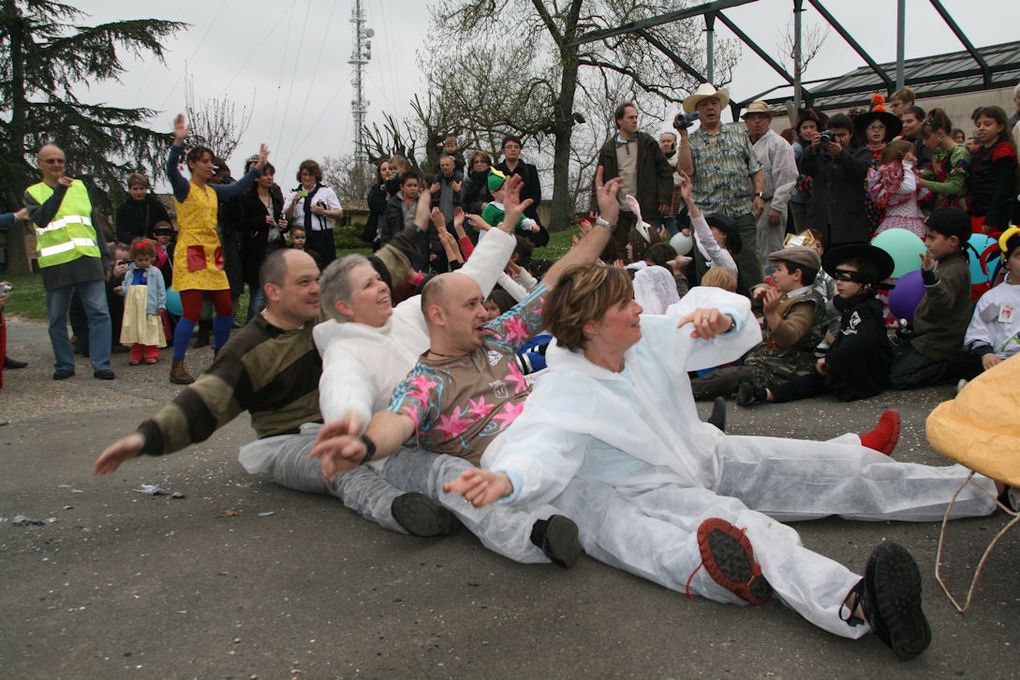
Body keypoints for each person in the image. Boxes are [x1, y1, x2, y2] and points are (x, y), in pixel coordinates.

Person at [443, 262, 997, 660]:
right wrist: (507, 479)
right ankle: (857, 603)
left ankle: (982, 489)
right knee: (752, 530)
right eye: (624, 304)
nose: (639, 308)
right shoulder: (562, 390)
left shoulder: (649, 337)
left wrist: (723, 321)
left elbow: (720, 316)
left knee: (832, 467)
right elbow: (539, 449)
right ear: (590, 325)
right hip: (653, 491)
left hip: (708, 453)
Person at [287, 174, 586, 565]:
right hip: (396, 445)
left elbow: (467, 281)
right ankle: (532, 536)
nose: (381, 288)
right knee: (447, 476)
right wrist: (351, 425)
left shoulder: (411, 310)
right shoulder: (345, 352)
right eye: (367, 287)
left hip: (452, 419)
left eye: (379, 279)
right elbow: (344, 389)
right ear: (344, 307)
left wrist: (508, 224)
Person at [94, 248, 459, 539]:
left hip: (342, 426)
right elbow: (202, 402)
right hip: (288, 443)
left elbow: (376, 265)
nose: (317, 288)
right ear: (273, 291)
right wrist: (145, 439)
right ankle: (402, 511)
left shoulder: (330, 320)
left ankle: (452, 491)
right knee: (344, 468)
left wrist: (419, 221)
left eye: (317, 279)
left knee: (392, 447)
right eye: (304, 282)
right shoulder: (246, 351)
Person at [164, 114, 267, 385]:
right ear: (193, 164)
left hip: (212, 250)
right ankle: (177, 365)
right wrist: (177, 143)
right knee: (192, 311)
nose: (211, 166)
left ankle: (221, 359)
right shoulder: (183, 188)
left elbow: (236, 188)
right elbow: (170, 172)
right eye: (206, 161)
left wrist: (256, 170)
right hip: (190, 250)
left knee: (225, 307)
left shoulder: (213, 191)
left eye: (212, 162)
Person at [738, 243, 894, 405]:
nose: (838, 283)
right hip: (844, 363)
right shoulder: (848, 301)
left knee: (818, 379)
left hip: (863, 374)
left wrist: (829, 360)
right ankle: (763, 394)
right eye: (837, 276)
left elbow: (855, 342)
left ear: (866, 284)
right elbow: (826, 310)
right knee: (812, 381)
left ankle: (762, 394)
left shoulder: (866, 311)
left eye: (846, 278)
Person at [24, 143, 114, 381]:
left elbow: (94, 224)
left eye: (60, 161)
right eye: (50, 161)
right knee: (57, 318)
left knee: (99, 313)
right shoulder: (32, 192)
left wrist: (105, 259)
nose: (56, 165)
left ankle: (101, 364)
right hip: (57, 264)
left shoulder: (81, 187)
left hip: (87, 258)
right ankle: (64, 364)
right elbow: (42, 219)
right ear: (39, 164)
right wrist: (59, 193)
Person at [691, 246, 828, 400]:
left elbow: (788, 338)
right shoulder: (791, 294)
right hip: (767, 360)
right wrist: (761, 289)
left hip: (785, 370)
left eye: (779, 270)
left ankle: (681, 393)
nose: (774, 274)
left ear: (796, 274)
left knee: (731, 376)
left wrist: (770, 313)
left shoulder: (807, 304)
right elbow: (766, 287)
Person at [676, 85, 766, 285]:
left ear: (720, 107)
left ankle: (757, 307)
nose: (710, 108)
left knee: (748, 259)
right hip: (706, 214)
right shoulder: (690, 140)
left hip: (740, 209)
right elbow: (685, 171)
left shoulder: (738, 134)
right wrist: (683, 136)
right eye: (705, 104)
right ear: (697, 111)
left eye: (714, 103)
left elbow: (755, 168)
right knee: (706, 262)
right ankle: (707, 304)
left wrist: (759, 194)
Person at [889, 208, 983, 390]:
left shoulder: (955, 270)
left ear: (953, 241)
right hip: (924, 336)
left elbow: (942, 305)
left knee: (900, 377)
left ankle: (949, 366)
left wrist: (931, 279)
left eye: (932, 238)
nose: (926, 242)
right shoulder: (947, 264)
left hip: (939, 343)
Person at [593, 102, 672, 262]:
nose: (635, 120)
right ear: (619, 120)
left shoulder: (648, 143)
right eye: (630, 117)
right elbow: (598, 178)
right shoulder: (608, 148)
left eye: (636, 117)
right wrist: (595, 204)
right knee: (619, 247)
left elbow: (665, 170)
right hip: (619, 207)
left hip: (644, 205)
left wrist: (664, 197)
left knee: (648, 244)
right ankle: (624, 278)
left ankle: (648, 277)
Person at [742, 101, 798, 274]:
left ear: (769, 120)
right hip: (746, 205)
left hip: (770, 203)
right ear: (747, 121)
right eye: (752, 117)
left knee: (770, 254)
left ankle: (773, 290)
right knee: (750, 253)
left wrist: (778, 206)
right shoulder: (743, 142)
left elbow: (787, 176)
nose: (757, 121)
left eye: (761, 117)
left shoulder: (779, 144)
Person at [800, 113, 870, 247]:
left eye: (842, 135)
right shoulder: (819, 154)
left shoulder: (862, 152)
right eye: (833, 135)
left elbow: (859, 171)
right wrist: (812, 149)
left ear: (851, 135)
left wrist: (841, 153)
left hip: (849, 224)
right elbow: (804, 169)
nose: (837, 139)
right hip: (821, 223)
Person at [964, 226, 1020, 371]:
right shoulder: (996, 298)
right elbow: (980, 328)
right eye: (1019, 256)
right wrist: (986, 353)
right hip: (1003, 362)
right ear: (1006, 261)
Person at [238, 161, 285, 321]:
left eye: (271, 174)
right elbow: (240, 224)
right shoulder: (247, 198)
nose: (269, 178)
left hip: (276, 246)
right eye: (265, 174)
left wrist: (284, 224)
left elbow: (281, 219)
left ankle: (272, 324)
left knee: (276, 290)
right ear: (257, 177)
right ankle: (251, 330)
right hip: (256, 251)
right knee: (258, 292)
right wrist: (260, 220)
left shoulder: (276, 197)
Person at [966, 105, 1018, 234]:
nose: (981, 128)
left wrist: (991, 217)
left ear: (1000, 127)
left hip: (993, 215)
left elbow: (1003, 187)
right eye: (978, 125)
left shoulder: (1003, 150)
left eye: (987, 124)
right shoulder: (980, 151)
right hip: (978, 211)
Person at [117, 238, 167, 365]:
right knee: (135, 328)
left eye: (147, 260)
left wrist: (161, 304)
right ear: (134, 258)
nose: (144, 262)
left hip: (149, 306)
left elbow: (161, 289)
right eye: (140, 260)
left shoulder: (155, 272)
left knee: (149, 328)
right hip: (133, 307)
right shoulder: (130, 272)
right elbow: (126, 286)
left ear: (151, 258)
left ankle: (152, 351)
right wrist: (121, 290)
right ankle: (136, 352)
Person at [284, 159, 342, 268]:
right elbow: (285, 217)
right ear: (300, 176)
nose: (307, 178)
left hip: (322, 237)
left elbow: (339, 213)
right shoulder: (293, 193)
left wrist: (323, 212)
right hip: (300, 237)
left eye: (310, 174)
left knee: (325, 269)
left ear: (316, 176)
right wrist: (293, 204)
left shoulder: (326, 191)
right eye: (304, 174)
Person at [494, 135, 547, 246]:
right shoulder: (496, 170)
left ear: (520, 150)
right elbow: (492, 193)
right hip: (502, 216)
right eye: (509, 147)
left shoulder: (530, 169)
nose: (513, 149)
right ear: (503, 150)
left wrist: (521, 213)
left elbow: (535, 195)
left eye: (516, 147)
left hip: (527, 214)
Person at [867, 140, 927, 239]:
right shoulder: (892, 176)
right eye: (912, 154)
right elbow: (909, 188)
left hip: (913, 220)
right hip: (897, 224)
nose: (915, 158)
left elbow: (920, 194)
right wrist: (907, 165)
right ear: (902, 155)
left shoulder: (908, 175)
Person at [918, 108, 970, 212]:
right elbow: (931, 172)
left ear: (940, 133)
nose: (924, 143)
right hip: (945, 206)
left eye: (927, 137)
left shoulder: (960, 154)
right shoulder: (940, 152)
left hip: (960, 208)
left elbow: (955, 187)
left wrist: (924, 183)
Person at [789, 108, 826, 231]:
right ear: (799, 131)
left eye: (812, 127)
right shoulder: (797, 147)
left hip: (819, 198)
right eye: (805, 128)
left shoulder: (824, 145)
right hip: (799, 199)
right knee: (803, 232)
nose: (809, 131)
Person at [115, 173, 171, 244]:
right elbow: (121, 234)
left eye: (142, 188)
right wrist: (140, 241)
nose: (139, 192)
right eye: (135, 189)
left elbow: (168, 227)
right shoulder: (123, 209)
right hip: (133, 247)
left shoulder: (156, 205)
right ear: (129, 190)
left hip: (156, 246)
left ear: (146, 188)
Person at [657, 131, 682, 237]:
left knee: (675, 232)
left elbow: (679, 180)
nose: (666, 143)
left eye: (669, 141)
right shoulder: (655, 159)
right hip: (657, 202)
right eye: (663, 141)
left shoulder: (680, 159)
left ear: (674, 143)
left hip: (676, 201)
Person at [365, 160, 391, 248]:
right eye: (384, 169)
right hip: (379, 232)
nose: (387, 171)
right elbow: (374, 205)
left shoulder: (401, 187)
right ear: (380, 173)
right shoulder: (376, 189)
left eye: (390, 168)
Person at [461, 150, 494, 217]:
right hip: (474, 219)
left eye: (483, 161)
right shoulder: (468, 183)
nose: (479, 164)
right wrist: (479, 205)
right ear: (472, 166)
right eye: (476, 162)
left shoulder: (495, 179)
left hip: (494, 218)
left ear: (488, 164)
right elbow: (464, 204)